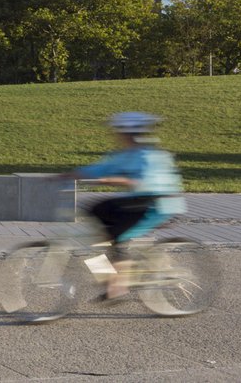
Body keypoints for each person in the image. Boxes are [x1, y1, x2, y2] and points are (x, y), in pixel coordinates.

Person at [59, 111, 186, 300]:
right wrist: (69, 175)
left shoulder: (151, 156)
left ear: (130, 133)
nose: (118, 136)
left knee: (116, 235)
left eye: (120, 132)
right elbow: (101, 168)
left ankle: (119, 286)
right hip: (138, 202)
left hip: (158, 203)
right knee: (95, 210)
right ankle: (108, 273)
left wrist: (108, 180)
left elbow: (138, 181)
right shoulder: (125, 154)